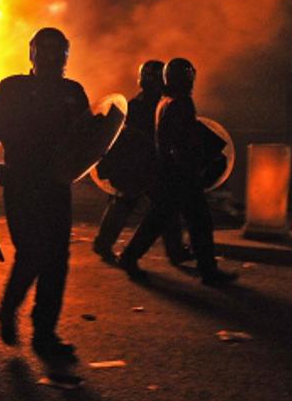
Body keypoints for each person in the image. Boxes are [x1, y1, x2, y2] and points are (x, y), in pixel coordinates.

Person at [0, 28, 88, 359]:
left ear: (66, 54)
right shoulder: (13, 90)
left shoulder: (72, 93)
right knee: (33, 253)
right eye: (45, 49)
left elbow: (87, 138)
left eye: (58, 50)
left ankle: (44, 332)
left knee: (56, 260)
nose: (52, 56)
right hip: (23, 183)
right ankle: (10, 309)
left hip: (56, 185)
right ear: (32, 53)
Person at [119, 58, 239, 287]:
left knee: (160, 220)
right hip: (180, 174)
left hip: (169, 173)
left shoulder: (165, 101)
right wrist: (196, 165)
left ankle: (130, 257)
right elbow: (182, 141)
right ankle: (208, 271)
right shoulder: (181, 103)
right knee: (198, 221)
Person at [92, 60, 192, 266]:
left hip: (147, 164)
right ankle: (106, 244)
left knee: (161, 207)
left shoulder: (144, 104)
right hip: (139, 165)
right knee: (140, 205)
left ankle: (173, 251)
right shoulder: (140, 106)